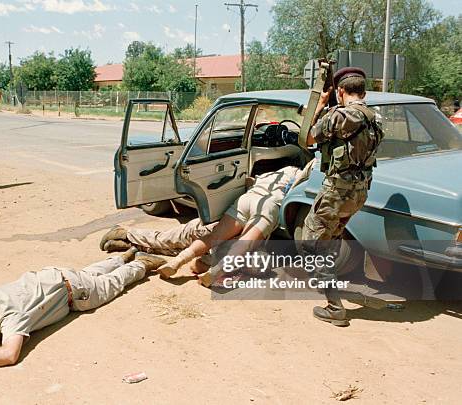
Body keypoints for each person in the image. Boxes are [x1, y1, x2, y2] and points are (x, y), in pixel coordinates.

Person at [0, 249, 165, 370]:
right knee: (93, 271)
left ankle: (140, 263)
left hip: (77, 293)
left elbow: (9, 355)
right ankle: (121, 254)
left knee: (113, 282)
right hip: (57, 275)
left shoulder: (10, 314)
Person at [101, 161, 315, 287]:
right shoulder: (295, 177)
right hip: (204, 228)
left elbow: (250, 182)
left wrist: (201, 263)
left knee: (177, 245)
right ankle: (128, 235)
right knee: (167, 240)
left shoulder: (271, 174)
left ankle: (154, 254)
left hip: (242, 207)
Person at [302, 67, 384, 327]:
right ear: (364, 92)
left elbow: (307, 137)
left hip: (337, 192)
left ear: (340, 91)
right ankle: (328, 280)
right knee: (332, 236)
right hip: (359, 192)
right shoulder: (375, 117)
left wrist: (321, 105)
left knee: (313, 242)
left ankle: (334, 306)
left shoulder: (339, 116)